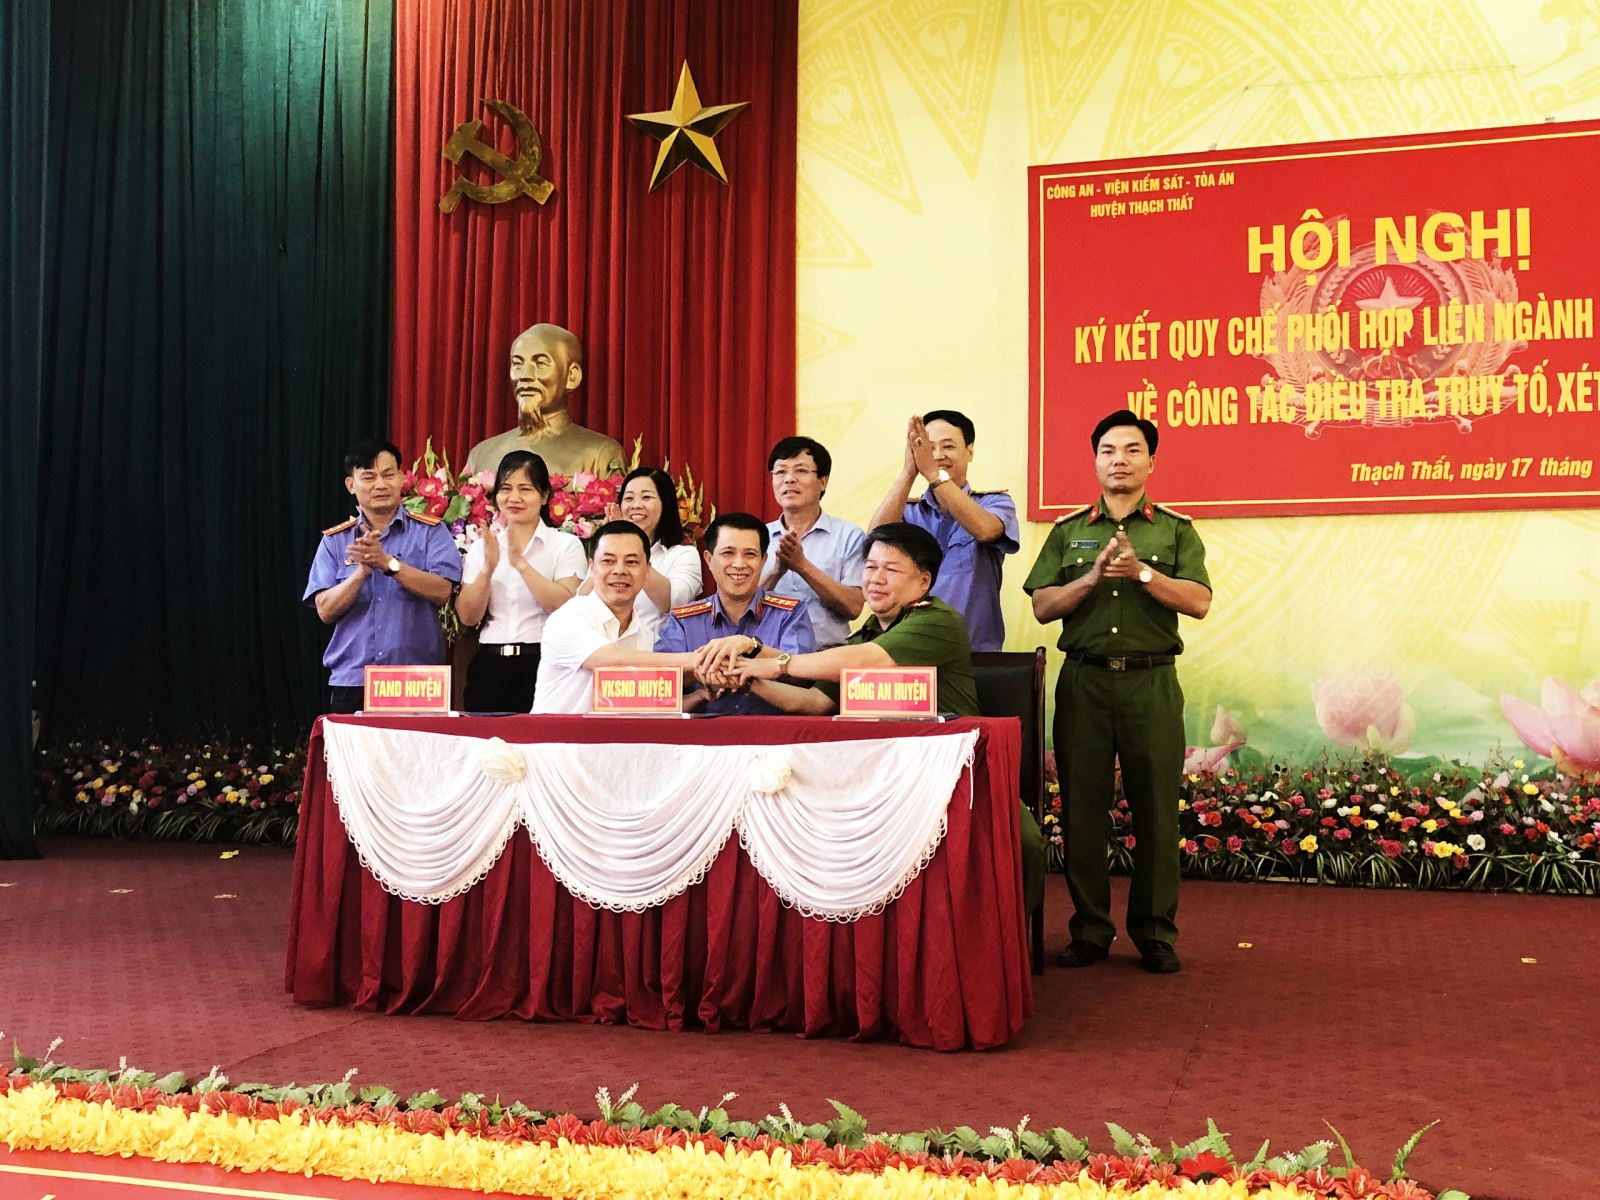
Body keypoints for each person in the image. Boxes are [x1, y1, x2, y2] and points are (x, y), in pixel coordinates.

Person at [726, 522, 1045, 913]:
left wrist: (773, 662)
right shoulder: (863, 636)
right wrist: (746, 677)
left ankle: (1005, 937)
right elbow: (811, 703)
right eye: (870, 567)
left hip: (959, 772)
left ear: (923, 581)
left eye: (890, 569)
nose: (875, 579)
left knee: (1021, 839)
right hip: (888, 775)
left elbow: (867, 662)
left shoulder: (937, 621)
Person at [1024, 409, 1212, 974]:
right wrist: (1089, 578)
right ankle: (1089, 930)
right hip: (1084, 680)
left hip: (1151, 683)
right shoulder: (1068, 531)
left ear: (1151, 462)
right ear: (1095, 462)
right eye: (1108, 451)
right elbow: (1042, 606)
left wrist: (1141, 575)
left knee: (1156, 811)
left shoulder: (1175, 530)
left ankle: (1154, 932)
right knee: (1082, 811)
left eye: (1132, 450)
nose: (1119, 461)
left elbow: (1199, 601)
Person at [303, 438, 462, 714]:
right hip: (354, 679)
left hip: (416, 681)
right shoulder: (334, 541)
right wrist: (361, 574)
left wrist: (388, 564)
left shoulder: (430, 532)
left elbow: (442, 591)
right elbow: (325, 611)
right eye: (369, 477)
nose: (380, 484)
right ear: (351, 485)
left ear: (401, 478)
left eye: (388, 475)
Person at [532, 520, 738, 713]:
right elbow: (611, 662)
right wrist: (701, 660)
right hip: (555, 739)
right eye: (608, 561)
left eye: (631, 562)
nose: (620, 570)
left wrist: (699, 696)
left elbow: (644, 704)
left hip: (607, 739)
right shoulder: (568, 618)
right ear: (592, 568)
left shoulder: (645, 636)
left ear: (647, 570)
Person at [868, 410, 1019, 651]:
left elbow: (986, 531)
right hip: (910, 649)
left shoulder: (994, 503)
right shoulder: (909, 510)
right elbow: (874, 540)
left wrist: (933, 475)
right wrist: (908, 472)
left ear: (970, 451)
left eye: (948, 446)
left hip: (974, 653)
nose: (937, 456)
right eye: (929, 448)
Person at [454, 451, 586, 712]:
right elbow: (468, 617)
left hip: (545, 663)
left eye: (525, 489)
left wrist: (521, 564)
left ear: (544, 496)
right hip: (489, 665)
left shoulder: (565, 545)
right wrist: (487, 570)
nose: (514, 498)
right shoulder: (483, 547)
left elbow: (564, 606)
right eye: (506, 489)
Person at [655, 512, 815, 714]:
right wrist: (706, 675)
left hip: (773, 732)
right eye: (728, 553)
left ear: (763, 560)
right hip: (701, 733)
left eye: (750, 554)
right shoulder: (683, 620)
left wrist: (752, 650)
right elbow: (659, 687)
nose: (739, 564)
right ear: (709, 560)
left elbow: (802, 677)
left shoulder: (790, 612)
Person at [462, 323, 625, 478]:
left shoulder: (600, 453)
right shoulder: (482, 454)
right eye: (517, 364)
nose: (525, 376)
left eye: (540, 363)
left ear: (572, 376)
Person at [761, 435, 865, 648]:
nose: (789, 479)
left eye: (800, 470)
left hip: (827, 657)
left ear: (823, 481)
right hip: (766, 656)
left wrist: (802, 566)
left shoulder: (848, 535)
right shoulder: (758, 537)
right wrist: (776, 573)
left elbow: (854, 607)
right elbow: (740, 607)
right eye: (780, 472)